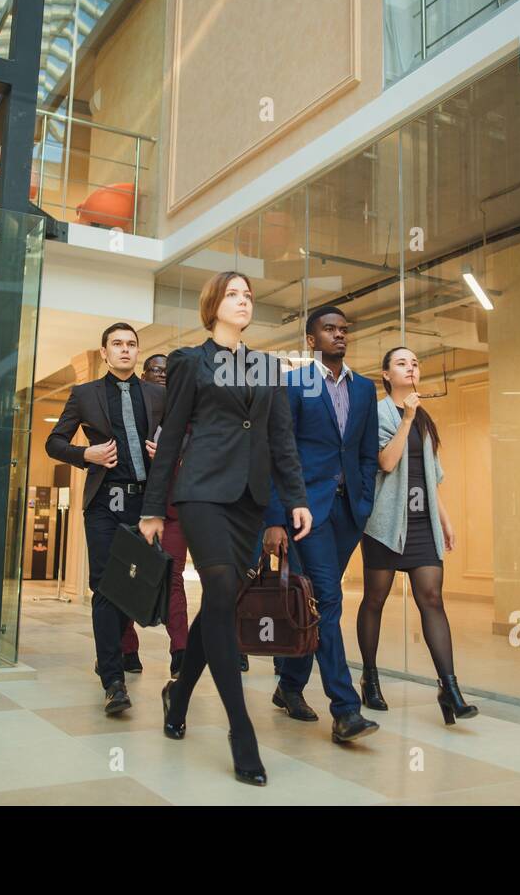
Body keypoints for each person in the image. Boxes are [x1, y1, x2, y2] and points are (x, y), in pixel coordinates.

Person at [140, 271, 312, 787]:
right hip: (201, 493)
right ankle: (242, 731)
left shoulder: (267, 366)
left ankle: (179, 696)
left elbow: (281, 438)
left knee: (218, 606)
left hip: (249, 503)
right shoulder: (189, 361)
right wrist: (153, 507)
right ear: (213, 305)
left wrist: (296, 500)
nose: (243, 301)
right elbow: (171, 437)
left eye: (248, 295)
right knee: (217, 590)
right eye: (233, 295)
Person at [263, 306, 380, 743]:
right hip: (304, 512)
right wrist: (275, 518)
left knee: (312, 602)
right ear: (311, 341)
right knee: (328, 599)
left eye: (344, 330)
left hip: (348, 514)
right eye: (329, 330)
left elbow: (367, 453)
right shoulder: (294, 384)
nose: (339, 335)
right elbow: (278, 454)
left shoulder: (365, 390)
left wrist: (364, 499)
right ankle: (345, 709)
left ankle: (289, 686)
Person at [46, 323, 164, 716]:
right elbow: (54, 442)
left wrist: (164, 449)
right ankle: (113, 681)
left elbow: (184, 437)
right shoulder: (85, 394)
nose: (126, 350)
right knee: (105, 588)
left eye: (132, 345)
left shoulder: (158, 394)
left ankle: (110, 654)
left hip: (145, 504)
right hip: (103, 504)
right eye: (118, 344)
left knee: (134, 590)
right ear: (104, 352)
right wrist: (86, 455)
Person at [358, 346, 478, 725]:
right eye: (401, 363)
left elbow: (431, 477)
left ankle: (450, 687)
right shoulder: (377, 413)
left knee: (432, 599)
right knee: (375, 599)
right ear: (386, 375)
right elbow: (387, 462)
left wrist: (444, 518)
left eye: (414, 363)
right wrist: (406, 418)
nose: (410, 368)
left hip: (422, 522)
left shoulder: (425, 418)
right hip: (385, 523)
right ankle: (370, 678)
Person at [117, 353, 190, 679]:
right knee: (129, 578)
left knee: (173, 579)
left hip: (173, 511)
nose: (162, 375)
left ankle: (180, 650)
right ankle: (127, 649)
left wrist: (171, 458)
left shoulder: (186, 415)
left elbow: (198, 460)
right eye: (156, 370)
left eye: (167, 372)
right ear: (144, 374)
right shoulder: (132, 413)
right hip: (134, 509)